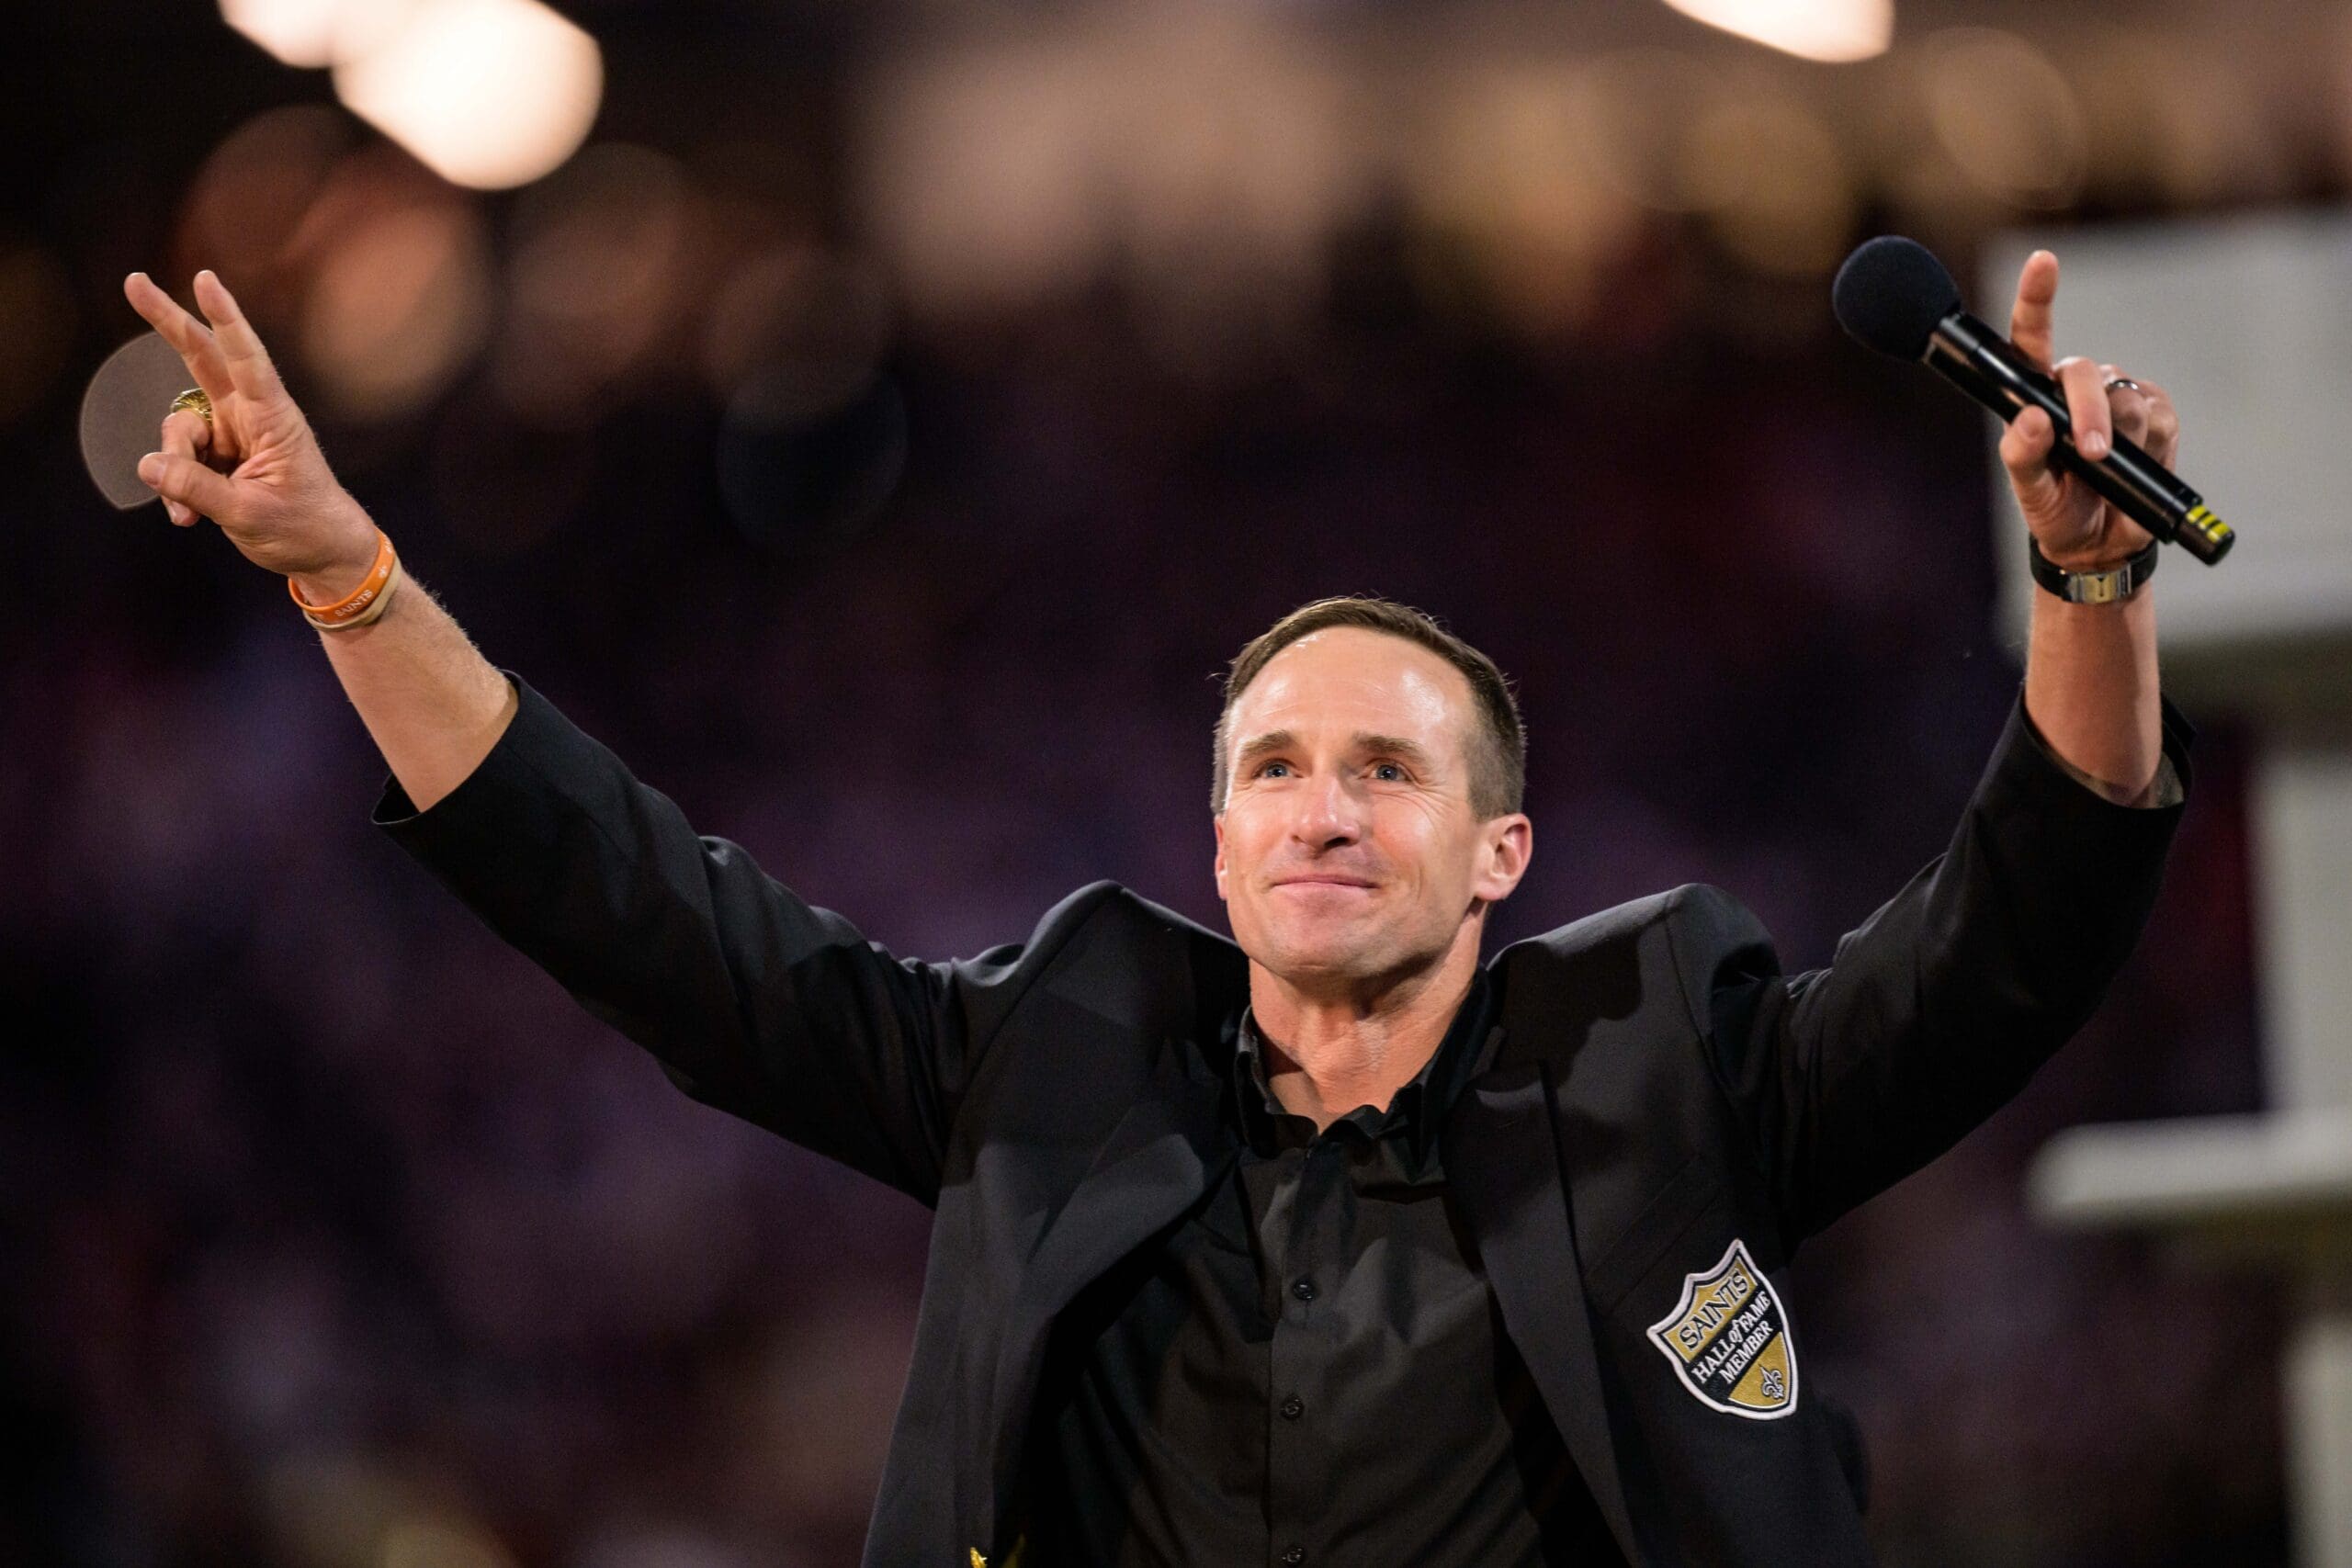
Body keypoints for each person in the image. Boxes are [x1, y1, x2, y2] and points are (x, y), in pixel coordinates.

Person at [124, 253, 2193, 1567]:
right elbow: (640, 902)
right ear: (1209, 850)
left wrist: (2085, 586)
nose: (1319, 806)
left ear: (1503, 853)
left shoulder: (1666, 1052)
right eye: (1272, 768)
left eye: (1388, 766)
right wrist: (350, 576)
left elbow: (2008, 932)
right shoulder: (1050, 1062)